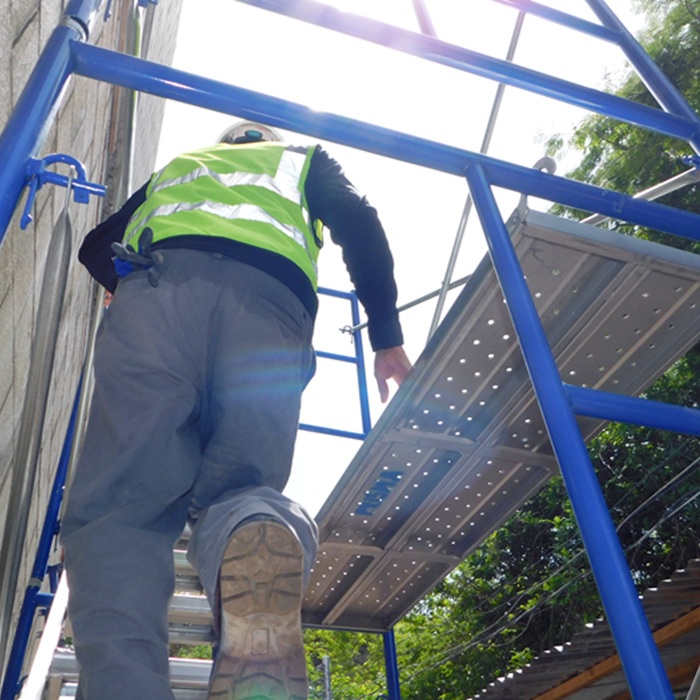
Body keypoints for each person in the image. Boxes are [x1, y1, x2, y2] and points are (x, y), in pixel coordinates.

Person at [61, 120, 412, 700]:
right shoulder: (303, 160)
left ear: (227, 142)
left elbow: (97, 245)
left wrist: (123, 287)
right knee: (243, 491)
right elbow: (359, 220)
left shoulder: (181, 166)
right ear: (268, 140)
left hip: (158, 300)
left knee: (121, 512)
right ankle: (254, 528)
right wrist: (386, 336)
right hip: (269, 317)